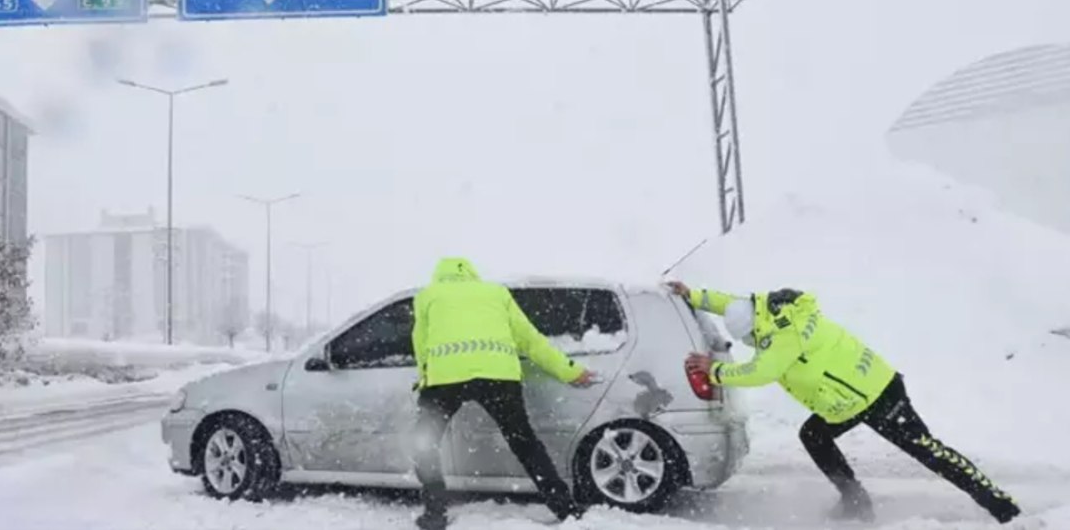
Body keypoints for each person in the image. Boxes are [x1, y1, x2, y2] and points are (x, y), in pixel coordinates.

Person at [666, 280, 1021, 525]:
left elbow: (760, 371)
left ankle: (1003, 508)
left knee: (929, 452)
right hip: (848, 400)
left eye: (751, 340)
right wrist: (693, 294)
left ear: (755, 330)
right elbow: (731, 304)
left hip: (878, 394)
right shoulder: (765, 308)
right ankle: (855, 501)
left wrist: (713, 372)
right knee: (814, 435)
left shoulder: (783, 339)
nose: (753, 343)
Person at [409, 257, 599, 530]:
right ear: (472, 274)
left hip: (445, 380)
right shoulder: (496, 292)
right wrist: (569, 371)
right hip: (499, 378)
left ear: (439, 276)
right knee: (525, 443)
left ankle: (435, 512)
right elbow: (530, 340)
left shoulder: (427, 296)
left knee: (424, 443)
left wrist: (425, 381)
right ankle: (565, 508)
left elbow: (422, 346)